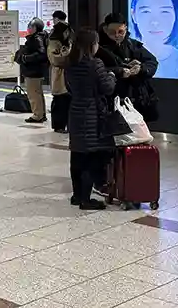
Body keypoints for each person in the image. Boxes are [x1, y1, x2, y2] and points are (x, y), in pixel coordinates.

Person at [64, 29, 116, 210]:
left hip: (75, 112)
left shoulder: (69, 64)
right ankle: (86, 200)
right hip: (92, 114)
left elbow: (69, 88)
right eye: (96, 43)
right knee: (90, 158)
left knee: (77, 155)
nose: (97, 46)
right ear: (90, 45)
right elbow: (107, 88)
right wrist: (112, 76)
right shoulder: (95, 64)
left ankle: (77, 195)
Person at [96, 12, 159, 122]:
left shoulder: (132, 45)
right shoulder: (98, 48)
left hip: (136, 99)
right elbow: (94, 70)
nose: (117, 35)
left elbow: (152, 62)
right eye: (112, 32)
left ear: (126, 28)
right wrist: (119, 71)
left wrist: (141, 68)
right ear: (105, 29)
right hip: (111, 100)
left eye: (121, 32)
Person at [129, 0, 178, 79]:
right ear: (133, 15)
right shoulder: (124, 59)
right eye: (146, 12)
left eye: (164, 12)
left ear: (176, 14)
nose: (155, 22)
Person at [17, 18, 49, 123]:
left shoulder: (36, 38)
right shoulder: (41, 37)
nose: (28, 29)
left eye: (29, 26)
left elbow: (41, 54)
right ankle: (41, 113)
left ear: (34, 28)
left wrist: (26, 58)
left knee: (33, 94)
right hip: (37, 70)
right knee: (38, 93)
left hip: (33, 71)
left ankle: (37, 115)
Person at [48, 20, 73, 133]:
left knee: (67, 101)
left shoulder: (68, 42)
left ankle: (66, 124)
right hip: (59, 74)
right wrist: (68, 56)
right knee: (59, 101)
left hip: (67, 75)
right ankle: (58, 126)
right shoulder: (54, 43)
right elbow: (55, 59)